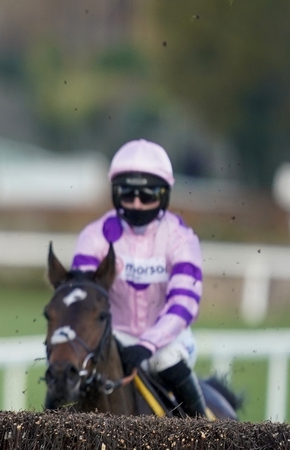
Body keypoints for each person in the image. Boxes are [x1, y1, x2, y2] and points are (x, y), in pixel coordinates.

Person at [70, 139, 207, 417]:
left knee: (165, 359)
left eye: (147, 196)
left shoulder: (181, 238)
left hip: (168, 339)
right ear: (114, 193)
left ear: (164, 195)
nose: (136, 203)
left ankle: (208, 432)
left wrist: (148, 343)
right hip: (111, 335)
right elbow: (81, 296)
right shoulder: (95, 235)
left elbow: (184, 304)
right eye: (127, 194)